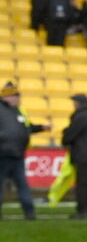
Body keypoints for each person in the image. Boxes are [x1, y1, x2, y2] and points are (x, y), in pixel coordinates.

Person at [0, 81, 46, 220]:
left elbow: (26, 128)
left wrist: (40, 128)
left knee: (23, 185)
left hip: (18, 155)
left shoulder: (18, 111)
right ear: (7, 97)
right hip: (2, 155)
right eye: (16, 96)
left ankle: (29, 212)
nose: (18, 100)